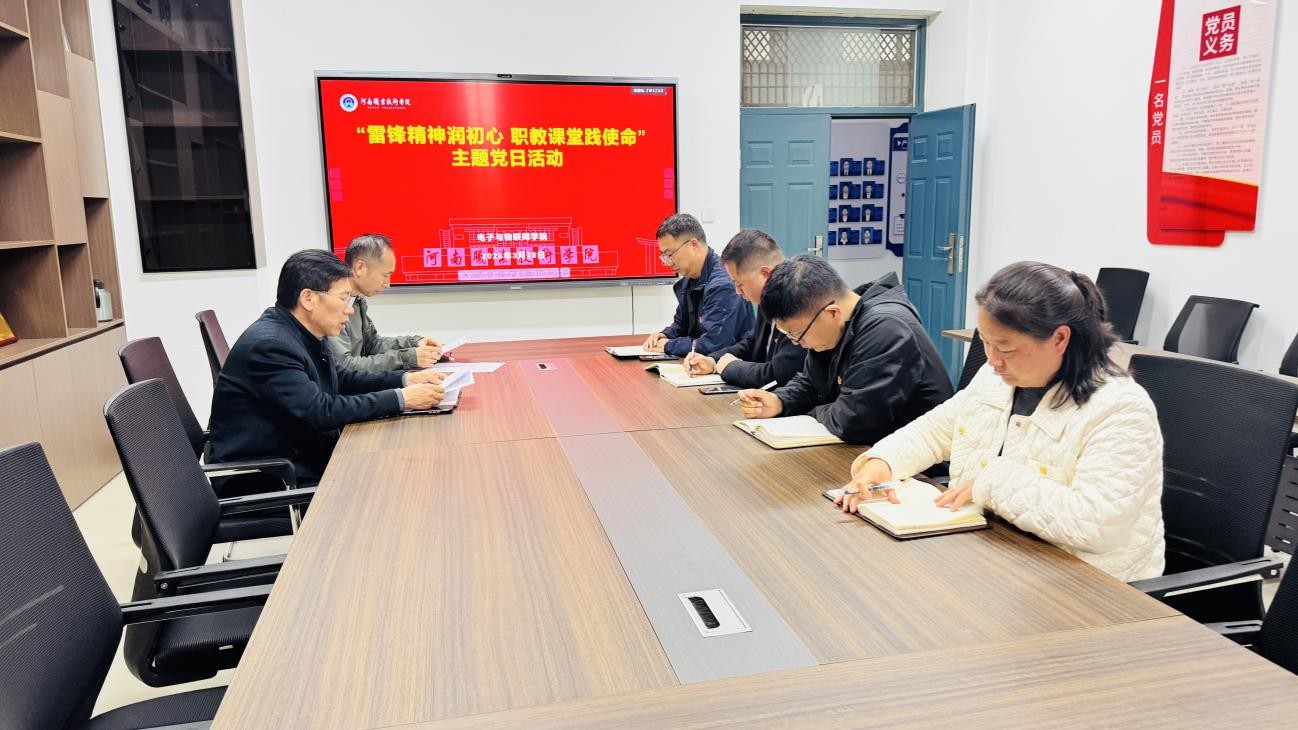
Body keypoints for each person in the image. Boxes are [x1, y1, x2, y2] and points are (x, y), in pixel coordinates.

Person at [837, 261, 1165, 582]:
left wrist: (990, 483)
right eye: (985, 342)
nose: (992, 360)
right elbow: (935, 430)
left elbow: (1096, 523)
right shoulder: (996, 377)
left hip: (1088, 588)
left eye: (1005, 347)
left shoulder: (1120, 408)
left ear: (1060, 339)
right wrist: (882, 462)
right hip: (996, 561)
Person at [208, 249, 446, 487]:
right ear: (308, 299)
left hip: (299, 457)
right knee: (396, 480)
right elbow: (320, 411)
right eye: (343, 298)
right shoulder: (271, 346)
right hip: (270, 478)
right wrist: (401, 399)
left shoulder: (301, 330)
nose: (349, 309)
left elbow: (341, 378)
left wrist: (405, 380)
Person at [738, 255, 952, 444]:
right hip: (875, 451)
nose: (797, 343)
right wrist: (780, 401)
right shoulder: (837, 323)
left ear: (832, 313)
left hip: (920, 465)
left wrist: (808, 415)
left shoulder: (886, 328)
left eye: (798, 334)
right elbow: (812, 382)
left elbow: (855, 420)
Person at [683, 229, 802, 388]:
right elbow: (752, 343)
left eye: (739, 284)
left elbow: (777, 376)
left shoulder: (799, 305)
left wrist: (730, 367)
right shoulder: (767, 297)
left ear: (765, 274)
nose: (737, 292)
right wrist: (712, 361)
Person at [328, 233, 444, 372]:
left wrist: (414, 343)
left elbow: (372, 345)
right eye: (385, 275)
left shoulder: (356, 301)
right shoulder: (330, 305)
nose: (387, 284)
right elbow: (345, 366)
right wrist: (407, 358)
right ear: (360, 268)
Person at [642, 214, 754, 357]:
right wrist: (665, 335)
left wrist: (668, 345)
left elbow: (714, 344)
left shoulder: (723, 285)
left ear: (694, 245)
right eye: (664, 256)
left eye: (670, 254)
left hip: (730, 366)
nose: (667, 263)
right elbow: (681, 325)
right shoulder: (688, 281)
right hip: (700, 363)